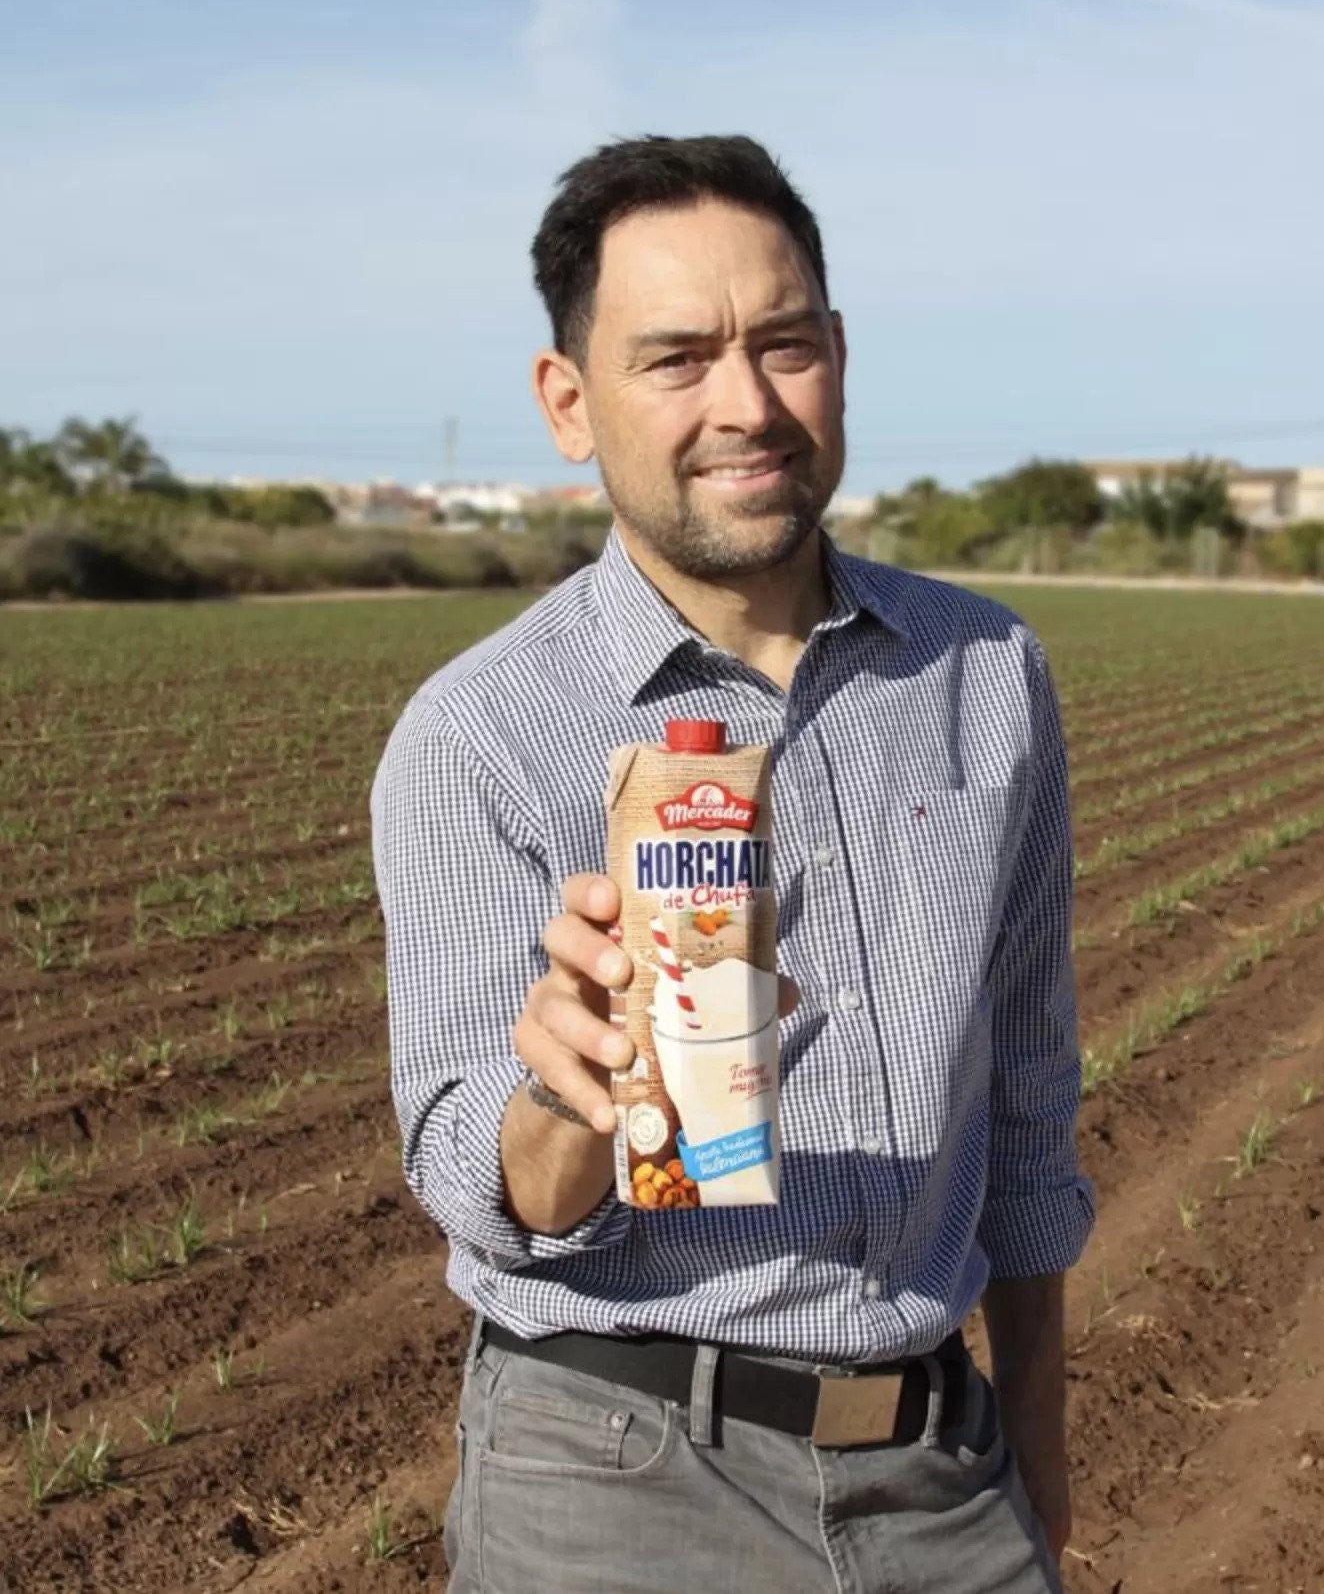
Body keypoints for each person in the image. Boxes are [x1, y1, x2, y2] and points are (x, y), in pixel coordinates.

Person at [372, 134, 1095, 1594]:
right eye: (677, 359)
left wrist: (1037, 1446)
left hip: (943, 1473)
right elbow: (471, 1170)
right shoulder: (481, 734)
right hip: (615, 1479)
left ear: (836, 354)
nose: (746, 406)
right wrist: (565, 1096)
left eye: (783, 345)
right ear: (567, 404)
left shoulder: (981, 674)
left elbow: (1024, 1100)